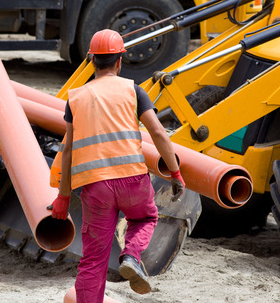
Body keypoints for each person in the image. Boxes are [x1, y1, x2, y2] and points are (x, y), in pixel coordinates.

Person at [49, 29, 186, 302]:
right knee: (145, 218)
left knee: (93, 261)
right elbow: (158, 132)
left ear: (91, 60)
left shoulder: (75, 98)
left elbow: (66, 153)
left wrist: (63, 197)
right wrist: (175, 172)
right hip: (132, 180)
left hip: (95, 186)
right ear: (120, 61)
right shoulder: (133, 90)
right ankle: (132, 256)